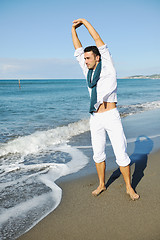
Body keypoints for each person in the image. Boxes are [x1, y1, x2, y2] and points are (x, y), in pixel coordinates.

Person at [72, 18, 139, 200]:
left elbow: (98, 40)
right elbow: (77, 51)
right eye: (84, 59)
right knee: (98, 153)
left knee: (121, 153)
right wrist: (73, 30)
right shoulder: (88, 72)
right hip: (95, 118)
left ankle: (129, 187)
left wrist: (85, 23)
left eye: (88, 58)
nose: (85, 61)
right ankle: (102, 184)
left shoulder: (108, 66)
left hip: (111, 116)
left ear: (97, 57)